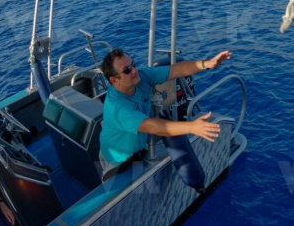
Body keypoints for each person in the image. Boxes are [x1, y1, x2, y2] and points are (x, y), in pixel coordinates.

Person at [99, 48, 232, 182]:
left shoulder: (142, 77)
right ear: (114, 80)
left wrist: (207, 64)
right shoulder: (118, 108)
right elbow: (152, 127)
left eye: (133, 65)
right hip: (117, 161)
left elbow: (175, 70)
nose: (134, 70)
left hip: (137, 148)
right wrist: (192, 127)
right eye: (127, 70)